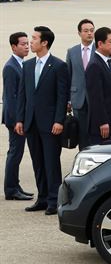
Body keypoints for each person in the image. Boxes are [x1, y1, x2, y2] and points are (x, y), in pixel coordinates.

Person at [15, 26, 70, 215]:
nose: (31, 41)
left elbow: (62, 97)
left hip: (50, 124)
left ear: (44, 42)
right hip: (30, 123)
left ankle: (54, 200)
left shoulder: (58, 65)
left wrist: (59, 121)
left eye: (34, 38)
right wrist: (20, 119)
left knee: (51, 162)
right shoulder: (27, 65)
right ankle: (43, 198)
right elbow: (23, 95)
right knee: (38, 162)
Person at [3, 32, 33, 201]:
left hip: (20, 118)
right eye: (22, 44)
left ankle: (15, 185)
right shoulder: (10, 67)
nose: (27, 46)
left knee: (17, 152)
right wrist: (17, 121)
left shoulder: (22, 64)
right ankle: (11, 189)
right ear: (14, 47)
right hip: (14, 119)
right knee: (15, 153)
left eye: (28, 43)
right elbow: (11, 97)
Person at [66, 19, 95, 150]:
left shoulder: (100, 50)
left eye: (92, 30)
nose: (89, 33)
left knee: (95, 132)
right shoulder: (72, 51)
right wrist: (68, 99)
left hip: (95, 98)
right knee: (82, 134)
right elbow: (68, 75)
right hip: (78, 98)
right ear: (79, 33)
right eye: (86, 31)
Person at [85, 27, 111, 144]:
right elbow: (96, 97)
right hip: (101, 125)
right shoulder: (95, 65)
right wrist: (102, 121)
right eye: (110, 42)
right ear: (100, 43)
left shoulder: (108, 62)